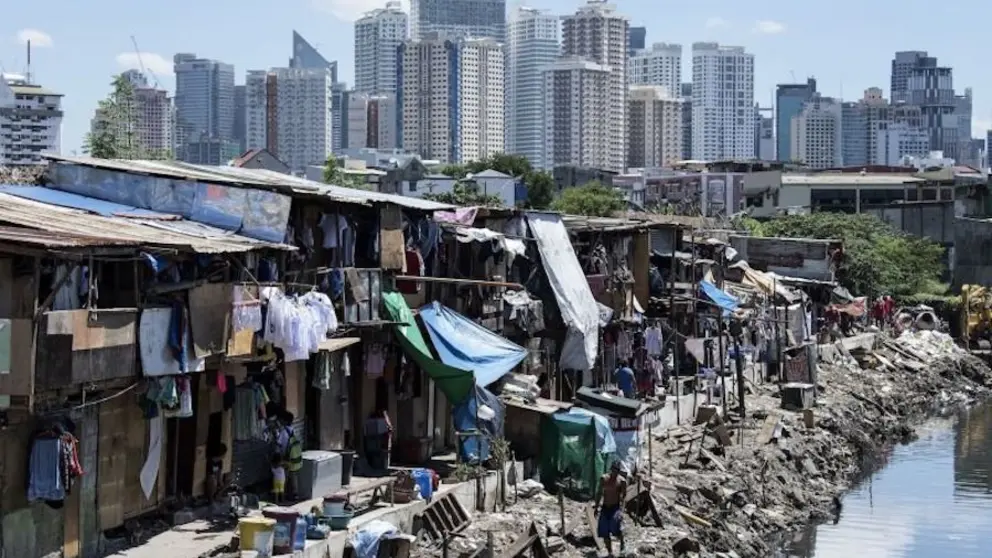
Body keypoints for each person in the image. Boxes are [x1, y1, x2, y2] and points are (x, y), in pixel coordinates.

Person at [593, 461, 627, 557]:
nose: (615, 472)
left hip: (615, 508)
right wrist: (596, 507)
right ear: (611, 469)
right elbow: (599, 493)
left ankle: (622, 542)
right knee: (604, 531)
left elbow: (624, 497)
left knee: (614, 528)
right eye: (613, 469)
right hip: (605, 507)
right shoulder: (604, 479)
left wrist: (622, 511)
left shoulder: (622, 481)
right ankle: (610, 552)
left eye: (617, 470)